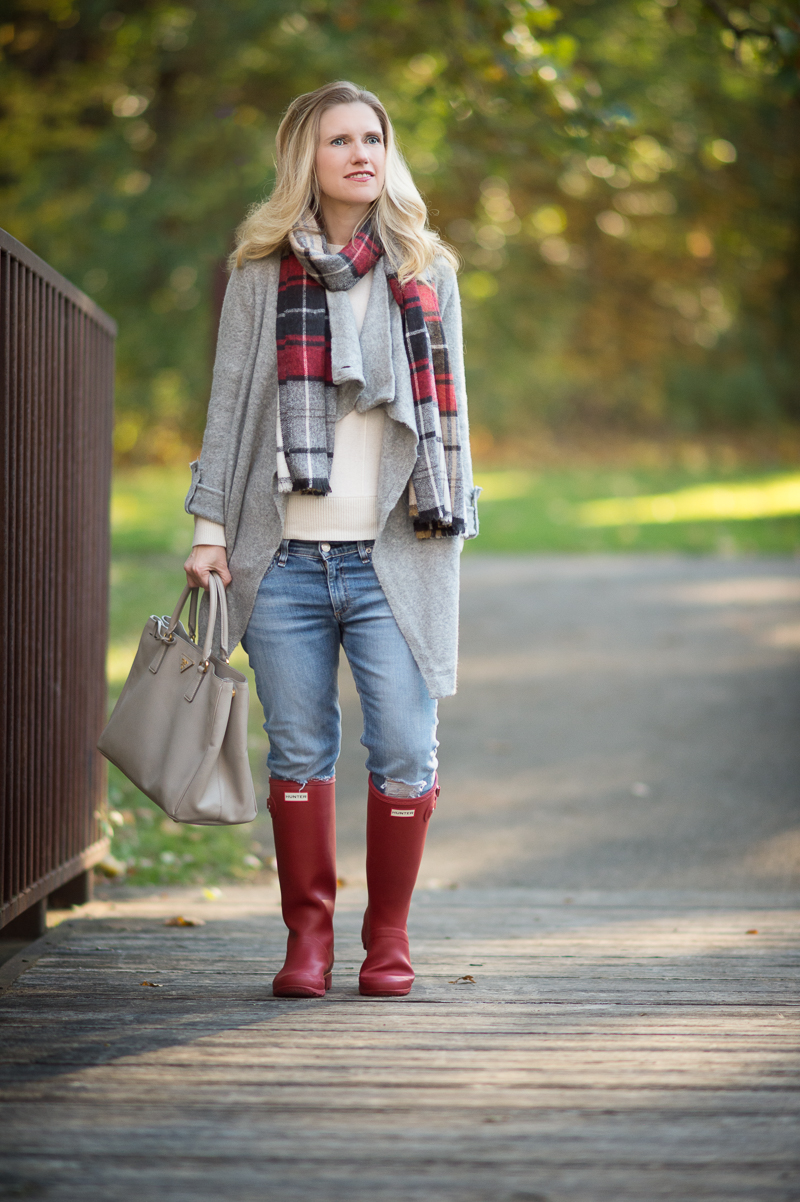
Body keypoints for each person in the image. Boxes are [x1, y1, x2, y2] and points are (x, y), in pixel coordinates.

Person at [183, 80, 480, 1000]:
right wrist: (208, 529)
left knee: (403, 749)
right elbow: (229, 409)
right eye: (338, 140)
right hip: (285, 562)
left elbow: (453, 414)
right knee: (299, 752)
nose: (360, 153)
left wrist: (451, 516)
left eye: (373, 137)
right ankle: (307, 940)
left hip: (395, 554)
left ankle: (385, 938)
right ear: (302, 159)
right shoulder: (260, 270)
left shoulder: (428, 270)